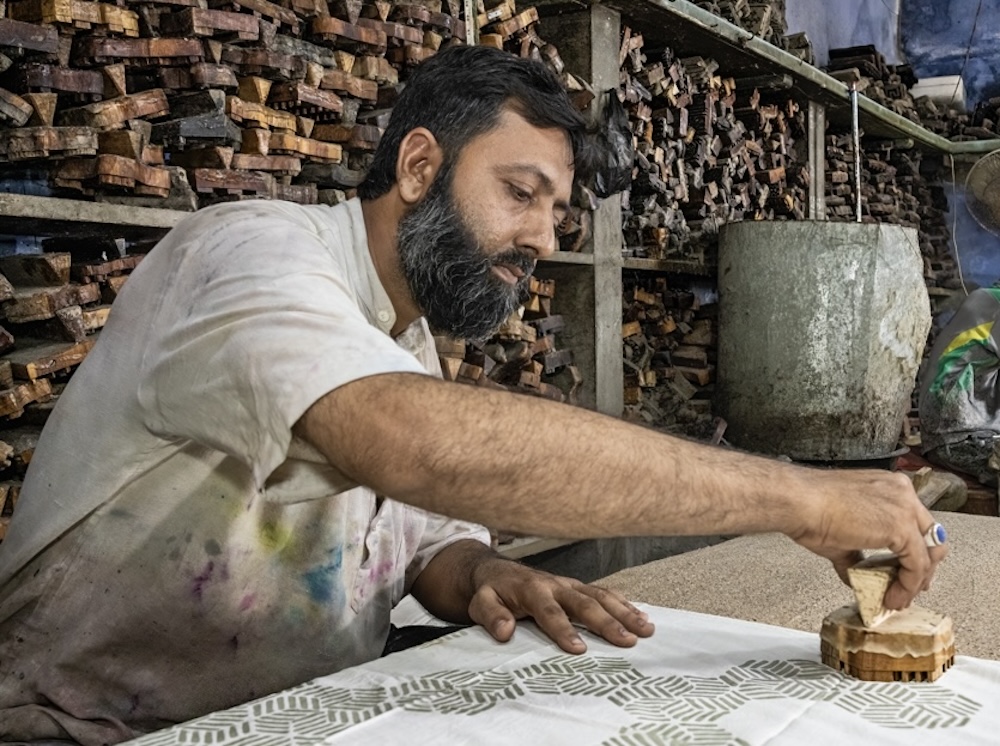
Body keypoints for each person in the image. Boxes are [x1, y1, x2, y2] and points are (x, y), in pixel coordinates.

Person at [0, 44, 944, 745]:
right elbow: (409, 445)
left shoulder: (405, 336)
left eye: (556, 213)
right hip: (86, 727)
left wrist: (481, 575)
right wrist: (798, 496)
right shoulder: (249, 252)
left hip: (303, 720)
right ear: (418, 167)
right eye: (519, 193)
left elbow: (415, 549)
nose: (540, 237)